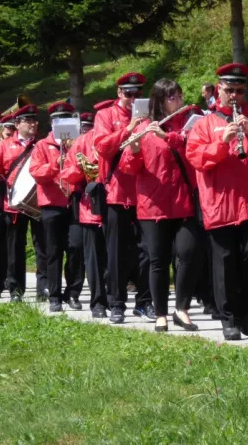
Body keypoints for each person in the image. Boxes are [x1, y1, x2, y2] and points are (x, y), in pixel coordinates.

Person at [186, 63, 248, 341]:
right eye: (230, 90)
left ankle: (244, 313)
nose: (235, 96)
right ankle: (229, 319)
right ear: (219, 90)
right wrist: (221, 144)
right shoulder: (205, 124)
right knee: (225, 263)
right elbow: (196, 159)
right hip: (221, 204)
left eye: (240, 91)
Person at [120, 79, 205, 332]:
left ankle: (182, 309)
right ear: (159, 101)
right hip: (153, 204)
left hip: (184, 201)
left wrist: (169, 136)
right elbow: (128, 168)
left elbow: (195, 155)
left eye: (180, 96)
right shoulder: (144, 128)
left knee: (188, 255)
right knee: (158, 260)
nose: (179, 101)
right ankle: (160, 313)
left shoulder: (190, 127)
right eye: (173, 98)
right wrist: (134, 150)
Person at [93, 73, 154, 324]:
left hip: (146, 192)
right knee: (117, 252)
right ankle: (116, 303)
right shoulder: (105, 115)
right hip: (117, 192)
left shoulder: (150, 113)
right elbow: (102, 147)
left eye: (138, 93)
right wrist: (129, 128)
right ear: (119, 93)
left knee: (148, 251)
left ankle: (145, 301)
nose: (133, 98)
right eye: (129, 94)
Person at [0, 104, 47, 301]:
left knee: (42, 246)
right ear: (17, 124)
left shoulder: (41, 144)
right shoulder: (3, 146)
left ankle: (44, 289)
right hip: (14, 204)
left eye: (34, 120)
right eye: (28, 120)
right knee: (15, 247)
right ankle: (16, 289)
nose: (33, 124)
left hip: (38, 202)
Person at [29, 102, 83, 312]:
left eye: (68, 119)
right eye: (59, 120)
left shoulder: (79, 143)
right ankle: (54, 296)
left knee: (76, 248)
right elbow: (36, 174)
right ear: (53, 123)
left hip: (75, 202)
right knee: (53, 251)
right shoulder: (43, 145)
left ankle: (73, 293)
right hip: (51, 205)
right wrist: (55, 163)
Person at [61, 110, 109, 318]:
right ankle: (98, 301)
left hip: (120, 203)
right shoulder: (81, 143)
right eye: (88, 126)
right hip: (91, 204)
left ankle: (117, 300)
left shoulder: (119, 135)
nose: (91, 129)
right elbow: (67, 173)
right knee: (93, 257)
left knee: (118, 256)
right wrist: (84, 170)